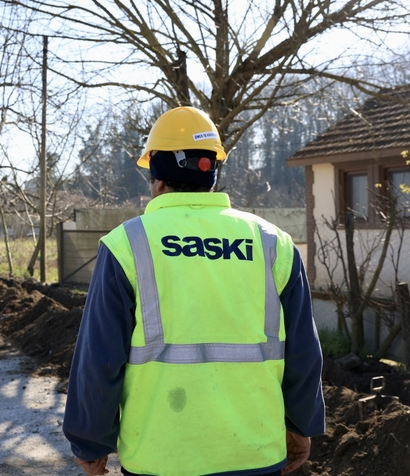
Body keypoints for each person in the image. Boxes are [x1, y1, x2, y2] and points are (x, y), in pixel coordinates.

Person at [62, 107, 325, 476]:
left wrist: (90, 443)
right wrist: (300, 425)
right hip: (256, 455)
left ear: (156, 175)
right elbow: (303, 352)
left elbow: (99, 358)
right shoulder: (273, 244)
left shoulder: (128, 243)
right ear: (212, 172)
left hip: (160, 459)